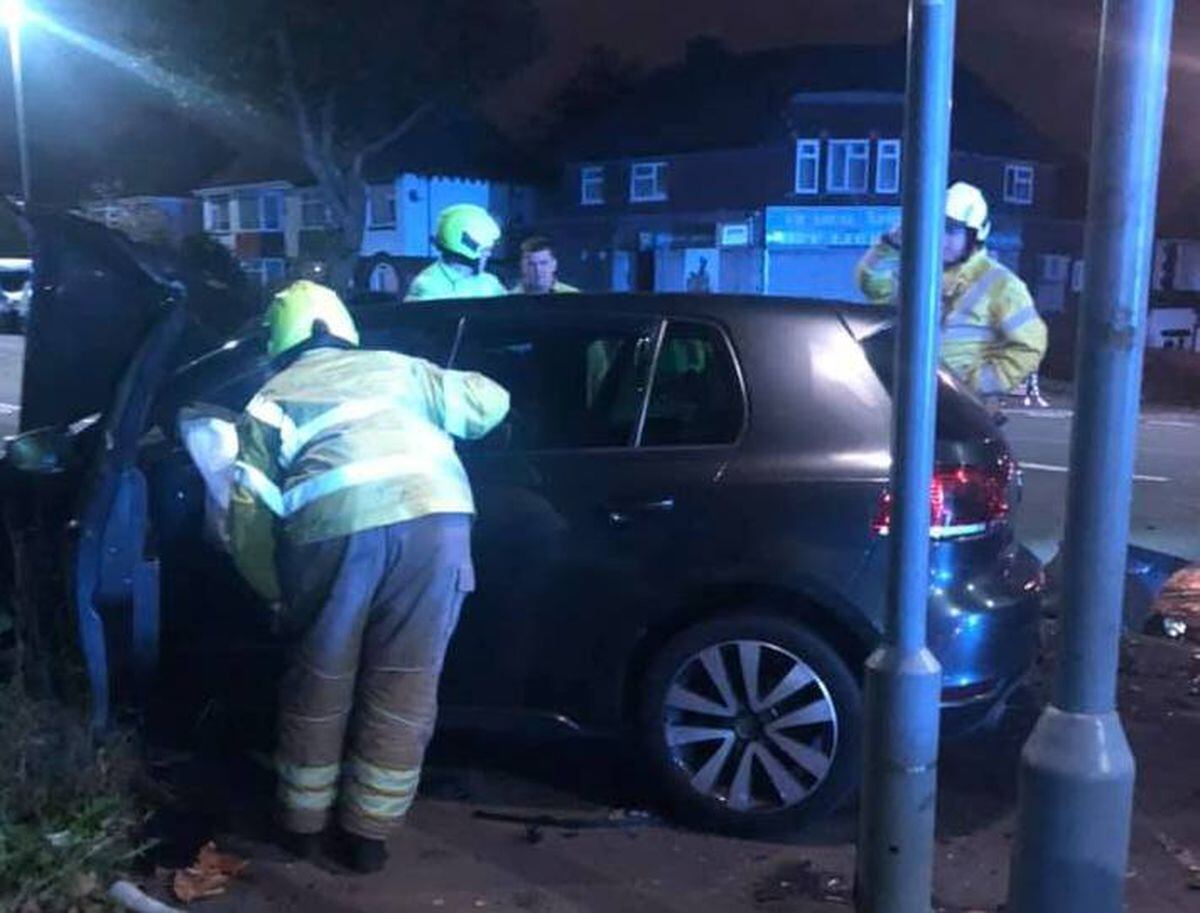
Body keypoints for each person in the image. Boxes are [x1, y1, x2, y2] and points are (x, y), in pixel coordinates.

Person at [227, 280, 510, 873]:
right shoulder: (400, 370)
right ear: (343, 327)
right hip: (436, 524)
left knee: (322, 677)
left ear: (277, 343)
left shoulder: (270, 399)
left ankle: (302, 828)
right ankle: (367, 838)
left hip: (335, 533)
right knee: (406, 683)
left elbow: (248, 518)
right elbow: (491, 403)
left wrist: (274, 592)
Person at [856, 181, 1048, 397]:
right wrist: (892, 244)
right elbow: (871, 284)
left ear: (974, 235)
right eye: (937, 227)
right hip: (909, 397)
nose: (942, 238)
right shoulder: (918, 273)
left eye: (952, 230)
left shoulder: (1002, 284)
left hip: (959, 407)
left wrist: (975, 386)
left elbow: (1029, 345)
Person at [404, 203, 507, 301]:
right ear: (466, 246)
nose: (489, 254)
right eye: (485, 250)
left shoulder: (489, 281)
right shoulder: (427, 286)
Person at [511, 235, 579, 294]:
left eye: (543, 263)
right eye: (531, 264)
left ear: (554, 265)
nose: (538, 270)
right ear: (522, 266)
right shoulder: (509, 300)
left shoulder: (574, 297)